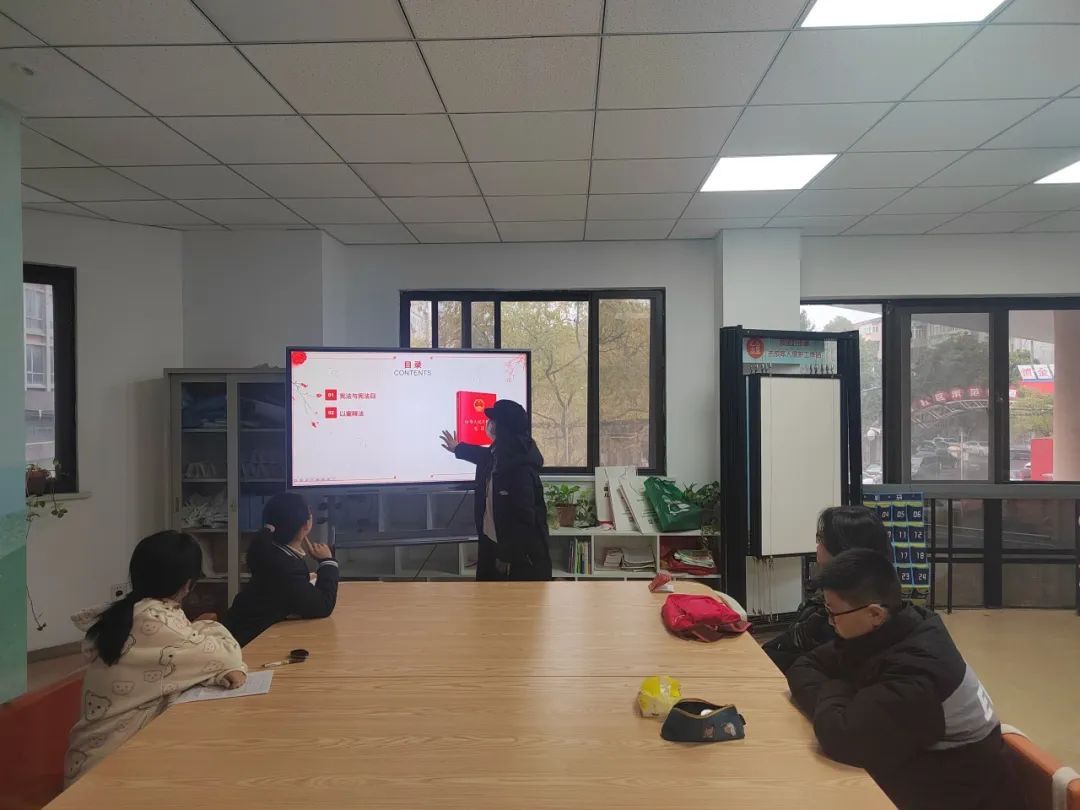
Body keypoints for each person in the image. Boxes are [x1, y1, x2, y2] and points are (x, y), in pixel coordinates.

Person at [786, 549, 1022, 810]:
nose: (830, 623)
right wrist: (843, 700)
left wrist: (839, 688)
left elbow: (842, 738)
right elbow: (804, 665)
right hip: (923, 771)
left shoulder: (917, 672)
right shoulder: (890, 628)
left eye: (833, 613)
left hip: (960, 792)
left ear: (875, 613)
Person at [65, 531, 246, 787]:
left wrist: (213, 667)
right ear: (187, 584)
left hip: (95, 762)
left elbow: (185, 659)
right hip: (107, 777)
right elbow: (226, 654)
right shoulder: (155, 623)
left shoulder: (131, 612)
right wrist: (208, 627)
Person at [763, 505, 891, 673]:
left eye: (821, 540)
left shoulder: (856, 612)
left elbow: (821, 668)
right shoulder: (823, 601)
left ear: (843, 550)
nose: (817, 546)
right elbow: (777, 649)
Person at [440, 399, 552, 581]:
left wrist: (507, 557)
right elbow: (482, 455)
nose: (489, 424)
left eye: (493, 421)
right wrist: (458, 448)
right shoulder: (501, 454)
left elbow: (524, 519)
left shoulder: (519, 469)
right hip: (493, 542)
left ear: (502, 428)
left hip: (517, 557)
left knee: (503, 598)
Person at [223, 492, 339, 646]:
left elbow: (287, 590)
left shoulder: (269, 550)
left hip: (238, 631)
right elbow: (323, 605)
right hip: (247, 644)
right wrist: (327, 561)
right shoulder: (285, 567)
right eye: (309, 512)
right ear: (306, 525)